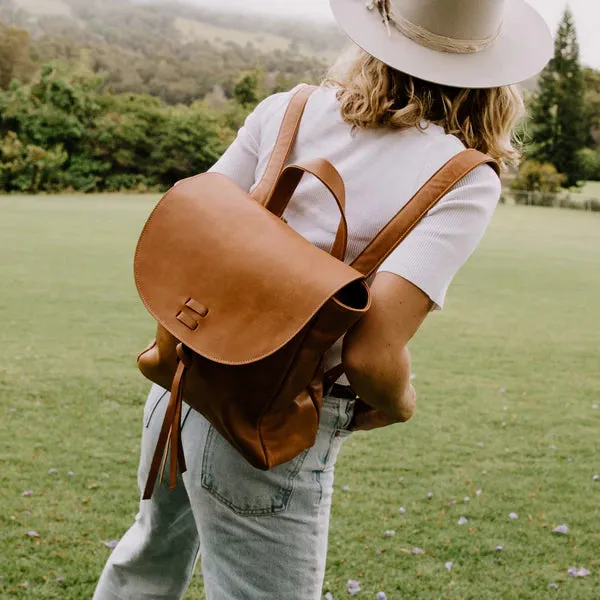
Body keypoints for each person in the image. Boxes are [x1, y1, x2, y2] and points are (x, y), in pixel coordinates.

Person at [93, 0, 552, 598]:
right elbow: (370, 354)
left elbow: (198, 222)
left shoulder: (290, 108)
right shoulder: (463, 175)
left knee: (144, 568)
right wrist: (400, 403)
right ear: (493, 77)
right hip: (271, 419)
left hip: (180, 379)